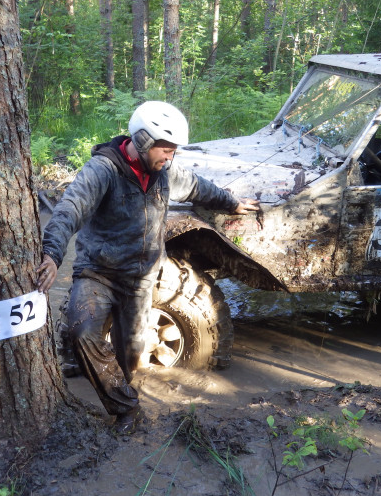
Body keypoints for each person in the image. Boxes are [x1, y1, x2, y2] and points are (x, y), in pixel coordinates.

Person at [37, 101, 259, 434]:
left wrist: (233, 203)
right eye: (165, 150)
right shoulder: (103, 171)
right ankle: (127, 409)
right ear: (142, 141)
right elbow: (70, 208)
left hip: (141, 279)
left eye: (174, 152)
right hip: (97, 272)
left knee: (132, 355)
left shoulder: (166, 173)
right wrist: (52, 253)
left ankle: (118, 386)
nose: (169, 158)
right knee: (82, 331)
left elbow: (199, 187)